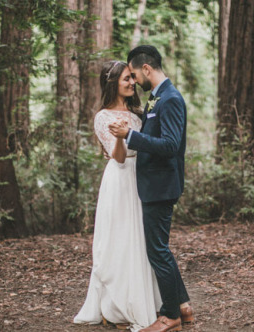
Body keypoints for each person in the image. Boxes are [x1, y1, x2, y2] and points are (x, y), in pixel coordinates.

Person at [109, 45, 193, 332]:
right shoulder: (156, 99)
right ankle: (183, 305)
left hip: (161, 186)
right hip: (152, 185)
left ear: (146, 68)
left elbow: (170, 146)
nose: (133, 81)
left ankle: (170, 316)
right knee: (160, 249)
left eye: (134, 74)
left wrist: (130, 135)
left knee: (157, 251)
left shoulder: (170, 99)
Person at [73, 61, 162, 331]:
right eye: (126, 79)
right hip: (120, 179)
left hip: (140, 178)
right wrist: (122, 137)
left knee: (139, 238)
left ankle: (143, 296)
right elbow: (119, 158)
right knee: (119, 238)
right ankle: (116, 304)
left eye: (132, 78)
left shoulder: (137, 113)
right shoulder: (103, 117)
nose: (132, 83)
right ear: (113, 82)